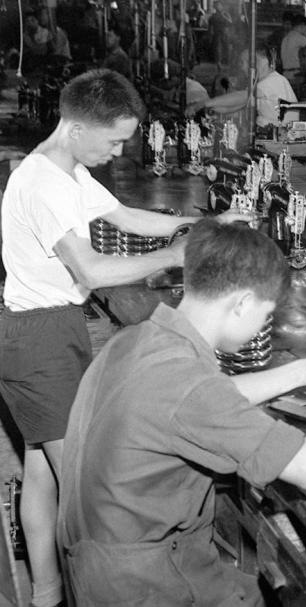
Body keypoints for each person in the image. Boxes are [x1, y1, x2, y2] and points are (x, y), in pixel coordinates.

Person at [57, 219, 306, 605]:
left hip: (99, 560)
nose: (264, 326)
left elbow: (199, 403)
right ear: (242, 303)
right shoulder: (189, 387)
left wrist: (298, 372)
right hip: (144, 582)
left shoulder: (140, 340)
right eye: (266, 313)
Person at [0, 69, 222, 607]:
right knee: (88, 492)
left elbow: (124, 216)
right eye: (114, 140)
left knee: (42, 468)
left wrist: (200, 225)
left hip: (47, 327)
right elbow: (92, 270)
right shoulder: (46, 184)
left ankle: (48, 594)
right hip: (39, 340)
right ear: (77, 128)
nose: (119, 152)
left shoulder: (65, 169)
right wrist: (175, 256)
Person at [201, 47, 297, 128]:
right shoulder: (261, 83)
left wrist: (205, 103)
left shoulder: (273, 80)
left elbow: (243, 97)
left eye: (244, 62)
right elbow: (237, 106)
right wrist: (213, 109)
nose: (242, 68)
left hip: (282, 138)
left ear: (258, 62)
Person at [281, 14, 306, 79]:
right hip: (296, 74)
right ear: (302, 25)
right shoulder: (298, 37)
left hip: (286, 74)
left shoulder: (286, 37)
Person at [208, 1, 232, 65]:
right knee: (217, 48)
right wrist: (210, 34)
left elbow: (230, 22)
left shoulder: (226, 14)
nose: (217, 7)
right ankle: (218, 62)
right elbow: (210, 25)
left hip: (225, 33)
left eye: (219, 5)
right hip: (217, 34)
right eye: (216, 5)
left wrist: (223, 16)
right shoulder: (213, 16)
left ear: (222, 6)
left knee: (226, 48)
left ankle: (227, 61)